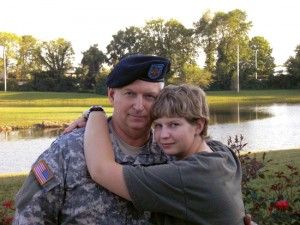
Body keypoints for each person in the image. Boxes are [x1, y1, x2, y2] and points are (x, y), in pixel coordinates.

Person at [13, 54, 171, 224]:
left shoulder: (170, 154)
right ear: (111, 95)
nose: (139, 106)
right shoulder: (67, 150)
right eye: (130, 94)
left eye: (150, 96)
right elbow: (30, 217)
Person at [83, 84, 246, 225]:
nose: (163, 135)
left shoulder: (188, 176)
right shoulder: (222, 153)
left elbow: (101, 170)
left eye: (174, 124)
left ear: (198, 126)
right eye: (158, 125)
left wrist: (95, 113)